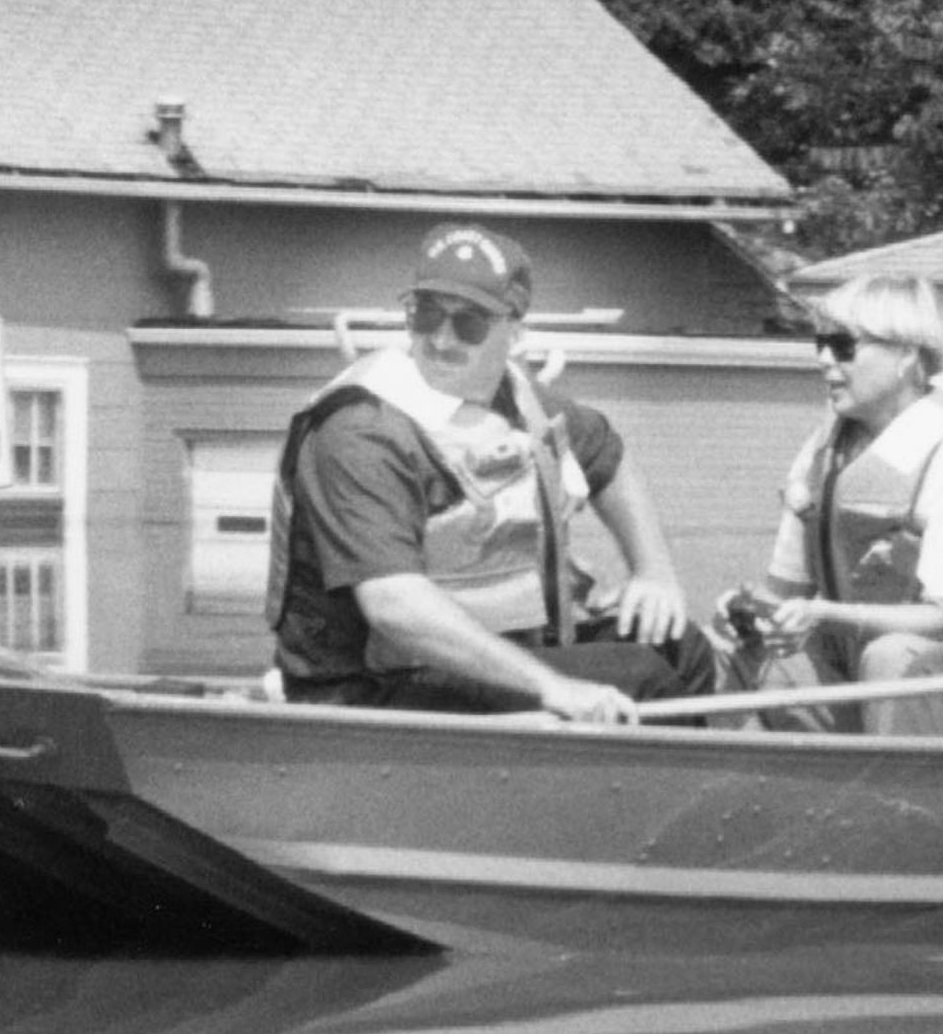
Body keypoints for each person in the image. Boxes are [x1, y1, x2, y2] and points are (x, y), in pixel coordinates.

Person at [268, 222, 719, 721]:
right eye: (426, 313)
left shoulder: (520, 401)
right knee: (643, 677)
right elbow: (393, 604)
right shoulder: (363, 429)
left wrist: (653, 572)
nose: (440, 339)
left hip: (476, 660)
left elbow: (608, 457)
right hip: (371, 688)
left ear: (515, 332)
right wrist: (555, 688)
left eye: (470, 323)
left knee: (681, 646)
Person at [751, 276, 943, 738]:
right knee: (767, 662)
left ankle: (902, 797)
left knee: (891, 657)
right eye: (820, 343)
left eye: (843, 346)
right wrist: (752, 613)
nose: (824, 360)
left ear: (906, 354)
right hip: (851, 654)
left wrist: (825, 615)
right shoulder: (824, 450)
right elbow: (784, 590)